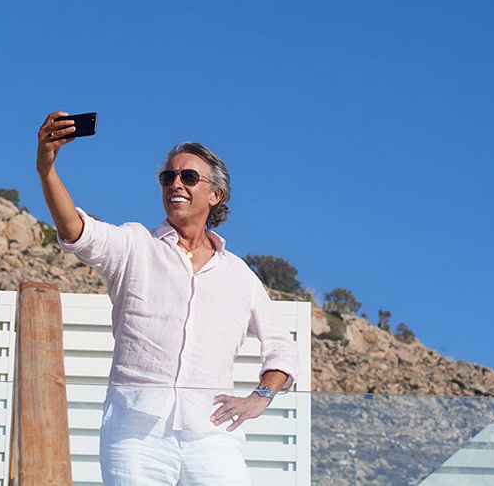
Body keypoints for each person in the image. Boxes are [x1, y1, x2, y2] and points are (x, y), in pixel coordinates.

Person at [36, 111, 299, 485]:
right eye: (168, 177)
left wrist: (261, 396)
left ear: (215, 195)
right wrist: (46, 168)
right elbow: (77, 231)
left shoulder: (239, 275)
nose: (176, 183)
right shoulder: (135, 244)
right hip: (134, 431)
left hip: (212, 435)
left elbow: (282, 348)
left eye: (189, 177)